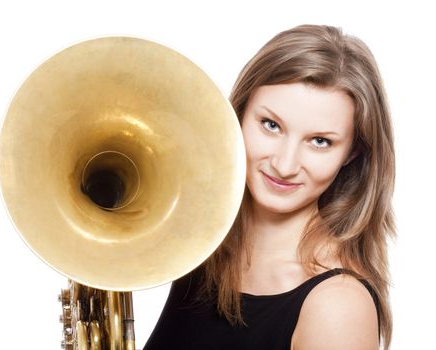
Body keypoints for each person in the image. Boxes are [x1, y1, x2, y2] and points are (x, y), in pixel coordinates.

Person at [143, 24, 395, 350]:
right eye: (271, 125)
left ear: (352, 153)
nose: (284, 165)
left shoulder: (338, 308)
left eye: (320, 141)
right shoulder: (203, 252)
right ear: (240, 113)